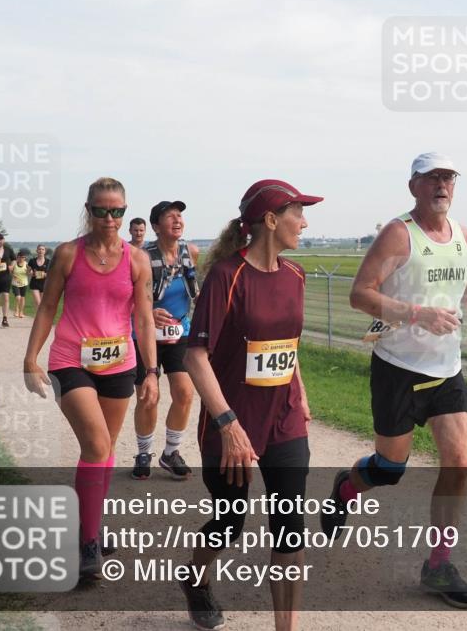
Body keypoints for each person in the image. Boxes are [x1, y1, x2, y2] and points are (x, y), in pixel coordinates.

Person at [320, 152, 467, 609]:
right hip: (398, 367)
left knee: (459, 461)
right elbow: (360, 294)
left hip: (447, 369)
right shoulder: (399, 234)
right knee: (390, 469)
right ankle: (346, 486)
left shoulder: (461, 233)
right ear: (413, 186)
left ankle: (439, 564)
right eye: (432, 177)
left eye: (449, 177)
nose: (442, 185)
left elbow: (458, 279)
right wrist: (417, 314)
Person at [180, 179, 320, 631]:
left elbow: (289, 344)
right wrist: (227, 423)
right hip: (233, 420)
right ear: (271, 220)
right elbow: (195, 356)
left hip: (284, 419)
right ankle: (195, 578)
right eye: (298, 212)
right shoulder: (227, 276)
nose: (304, 221)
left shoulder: (295, 275)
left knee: (289, 523)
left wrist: (301, 395)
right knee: (230, 520)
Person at [22, 177, 158, 581]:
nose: (111, 218)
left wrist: (151, 371)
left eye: (118, 210)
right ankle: (87, 545)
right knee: (97, 445)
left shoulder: (137, 260)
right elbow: (47, 307)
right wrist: (30, 357)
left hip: (120, 362)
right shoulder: (67, 254)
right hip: (71, 359)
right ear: (89, 210)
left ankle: (90, 526)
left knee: (105, 450)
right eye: (102, 210)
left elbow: (144, 318)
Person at [131, 200, 201, 481]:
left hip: (179, 333)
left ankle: (171, 452)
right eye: (169, 216)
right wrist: (147, 311)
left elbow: (196, 292)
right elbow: (125, 298)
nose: (177, 219)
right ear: (156, 226)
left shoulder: (191, 252)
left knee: (184, 393)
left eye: (180, 214)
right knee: (149, 396)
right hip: (145, 334)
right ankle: (143, 452)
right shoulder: (140, 256)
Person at [29, 244, 51, 309]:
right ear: (37, 251)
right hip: (34, 284)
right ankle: (39, 318)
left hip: (45, 284)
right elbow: (28, 271)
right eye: (39, 249)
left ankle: (39, 317)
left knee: (43, 304)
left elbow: (52, 273)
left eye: (42, 249)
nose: (41, 251)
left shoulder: (49, 262)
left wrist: (45, 274)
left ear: (45, 251)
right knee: (38, 303)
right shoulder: (32, 261)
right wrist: (31, 273)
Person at [12, 251, 31, 318]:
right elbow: (10, 271)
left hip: (24, 283)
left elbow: (29, 274)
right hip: (15, 283)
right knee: (18, 297)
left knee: (22, 298)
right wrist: (13, 275)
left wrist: (28, 271)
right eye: (19, 257)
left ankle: (21, 312)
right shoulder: (14, 263)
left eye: (23, 257)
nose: (21, 259)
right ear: (17, 257)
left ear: (25, 258)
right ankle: (16, 310)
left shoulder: (26, 264)